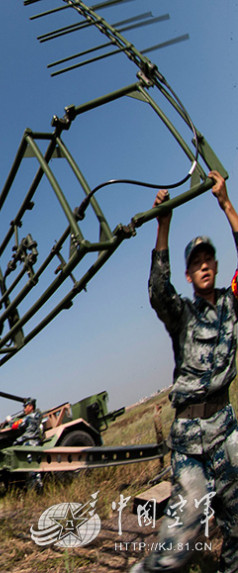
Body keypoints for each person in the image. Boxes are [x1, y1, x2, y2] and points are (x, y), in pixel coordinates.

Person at [133, 170, 238, 572]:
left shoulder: (231, 305)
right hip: (190, 437)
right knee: (183, 530)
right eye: (195, 263)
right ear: (191, 276)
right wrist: (164, 225)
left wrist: (225, 203)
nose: (204, 265)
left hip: (225, 426)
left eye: (208, 258)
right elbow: (159, 291)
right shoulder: (183, 314)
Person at [11, 397, 43, 491]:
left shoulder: (28, 418)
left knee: (30, 468)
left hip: (29, 444)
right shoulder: (38, 416)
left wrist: (10, 421)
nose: (24, 409)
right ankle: (39, 487)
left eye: (26, 407)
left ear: (31, 407)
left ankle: (33, 490)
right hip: (36, 443)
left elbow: (15, 425)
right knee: (36, 468)